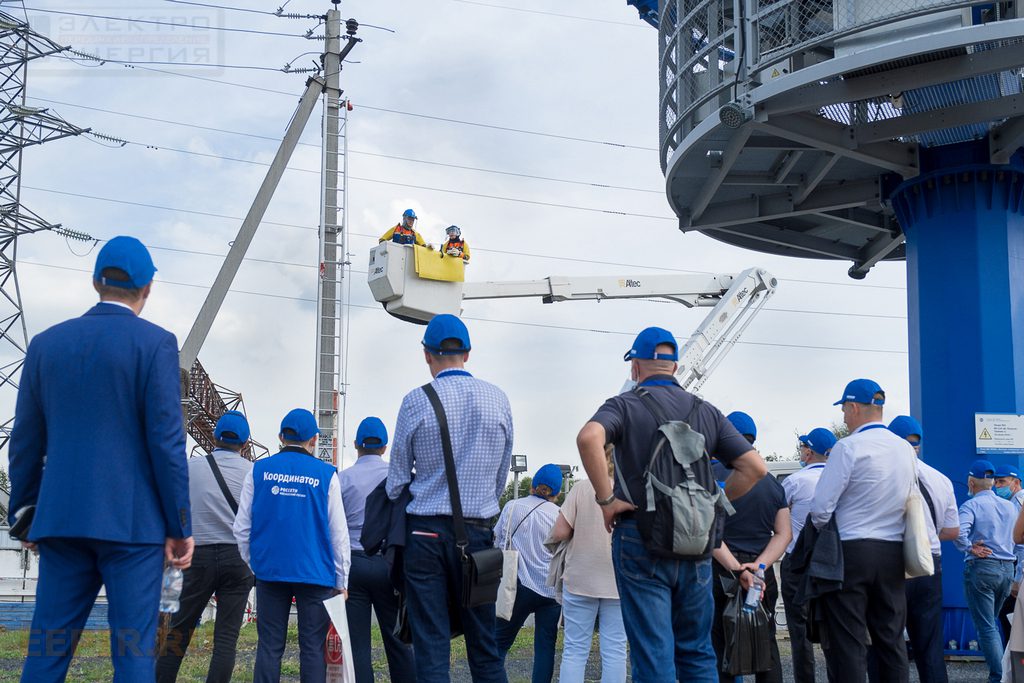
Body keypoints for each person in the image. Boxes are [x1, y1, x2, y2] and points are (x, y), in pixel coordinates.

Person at [8, 235, 193, 682]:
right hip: (133, 527)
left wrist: (25, 512)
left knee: (47, 650)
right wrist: (179, 526)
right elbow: (167, 443)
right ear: (147, 288)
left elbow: (25, 439)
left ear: (95, 282)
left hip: (62, 520)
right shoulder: (155, 344)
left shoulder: (46, 345)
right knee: (133, 654)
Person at [577, 326, 768, 682]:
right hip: (695, 544)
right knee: (697, 651)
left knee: (654, 653)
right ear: (676, 367)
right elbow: (755, 468)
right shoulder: (706, 411)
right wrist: (713, 502)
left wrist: (607, 501)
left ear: (635, 366)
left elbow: (589, 437)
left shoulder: (624, 404)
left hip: (640, 537)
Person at [386, 313, 513, 682]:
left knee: (431, 647)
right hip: (478, 537)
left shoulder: (415, 401)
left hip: (424, 537)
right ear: (468, 354)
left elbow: (395, 482)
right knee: (485, 647)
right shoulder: (498, 399)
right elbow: (500, 476)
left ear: (426, 354)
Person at [233, 408, 351, 683]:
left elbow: (242, 528)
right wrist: (342, 579)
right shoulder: (326, 475)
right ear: (314, 439)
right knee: (313, 647)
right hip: (315, 574)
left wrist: (256, 563)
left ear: (280, 437)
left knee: (269, 645)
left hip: (270, 572)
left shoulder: (258, 471)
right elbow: (338, 534)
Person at [810, 378, 914, 682]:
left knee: (849, 640)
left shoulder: (847, 447)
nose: (844, 416)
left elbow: (820, 509)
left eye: (844, 409)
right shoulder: (904, 449)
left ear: (854, 407)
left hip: (852, 551)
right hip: (893, 552)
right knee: (891, 638)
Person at [157, 411, 255, 683]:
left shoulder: (190, 468)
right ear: (245, 443)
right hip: (238, 559)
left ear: (214, 437)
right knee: (226, 639)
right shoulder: (254, 473)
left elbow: (174, 508)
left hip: (197, 557)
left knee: (179, 630)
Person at [868, 415, 957, 683]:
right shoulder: (941, 479)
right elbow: (952, 531)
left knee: (884, 642)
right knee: (930, 646)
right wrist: (922, 537)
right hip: (929, 565)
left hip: (891, 565)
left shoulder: (880, 476)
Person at [711, 412, 791, 683]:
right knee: (765, 643)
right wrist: (759, 565)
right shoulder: (769, 481)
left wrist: (736, 568)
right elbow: (784, 533)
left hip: (720, 571)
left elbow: (705, 531)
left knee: (719, 645)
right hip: (760, 575)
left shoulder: (709, 476)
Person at [339, 416, 415, 683]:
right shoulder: (399, 479)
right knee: (399, 640)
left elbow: (334, 527)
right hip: (389, 564)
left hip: (354, 564)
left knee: (357, 645)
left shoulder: (342, 479)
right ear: (384, 447)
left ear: (356, 445)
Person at [548, 447, 626, 683]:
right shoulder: (631, 490)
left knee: (575, 650)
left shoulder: (582, 488)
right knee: (615, 650)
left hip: (580, 577)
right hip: (619, 580)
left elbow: (560, 532)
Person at [494, 464, 563, 683]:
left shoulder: (512, 507)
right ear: (557, 492)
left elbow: (498, 541)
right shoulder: (559, 515)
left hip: (517, 586)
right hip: (551, 590)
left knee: (498, 644)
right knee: (545, 648)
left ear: (533, 484)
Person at [780, 427, 836, 683]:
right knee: (833, 626)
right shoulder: (840, 481)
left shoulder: (795, 481)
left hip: (797, 563)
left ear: (809, 452)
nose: (801, 451)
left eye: (803, 447)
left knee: (799, 628)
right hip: (831, 562)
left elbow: (777, 516)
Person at [955, 459, 1017, 683]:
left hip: (982, 569)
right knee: (992, 623)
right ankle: (1005, 674)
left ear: (971, 483)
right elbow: (1019, 541)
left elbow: (959, 532)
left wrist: (969, 547)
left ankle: (998, 678)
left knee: (987, 626)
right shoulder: (1009, 506)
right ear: (992, 483)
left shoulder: (970, 506)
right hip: (1007, 570)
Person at [994, 463, 1024, 645]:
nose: (998, 486)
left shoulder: (1019, 503)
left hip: (1018, 569)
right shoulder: (1012, 503)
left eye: (1002, 482)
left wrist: (1017, 579)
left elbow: (1021, 545)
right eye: (996, 482)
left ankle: (1014, 658)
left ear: (1016, 482)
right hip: (1016, 567)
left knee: (1009, 616)